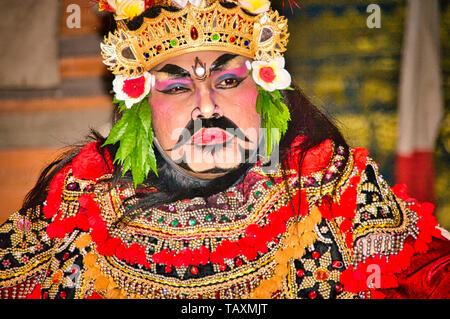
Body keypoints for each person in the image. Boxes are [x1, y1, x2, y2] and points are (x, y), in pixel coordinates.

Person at [0, 0, 448, 299]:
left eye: (229, 81)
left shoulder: (334, 192)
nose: (207, 106)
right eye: (176, 87)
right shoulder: (79, 205)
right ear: (141, 110)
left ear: (269, 92)